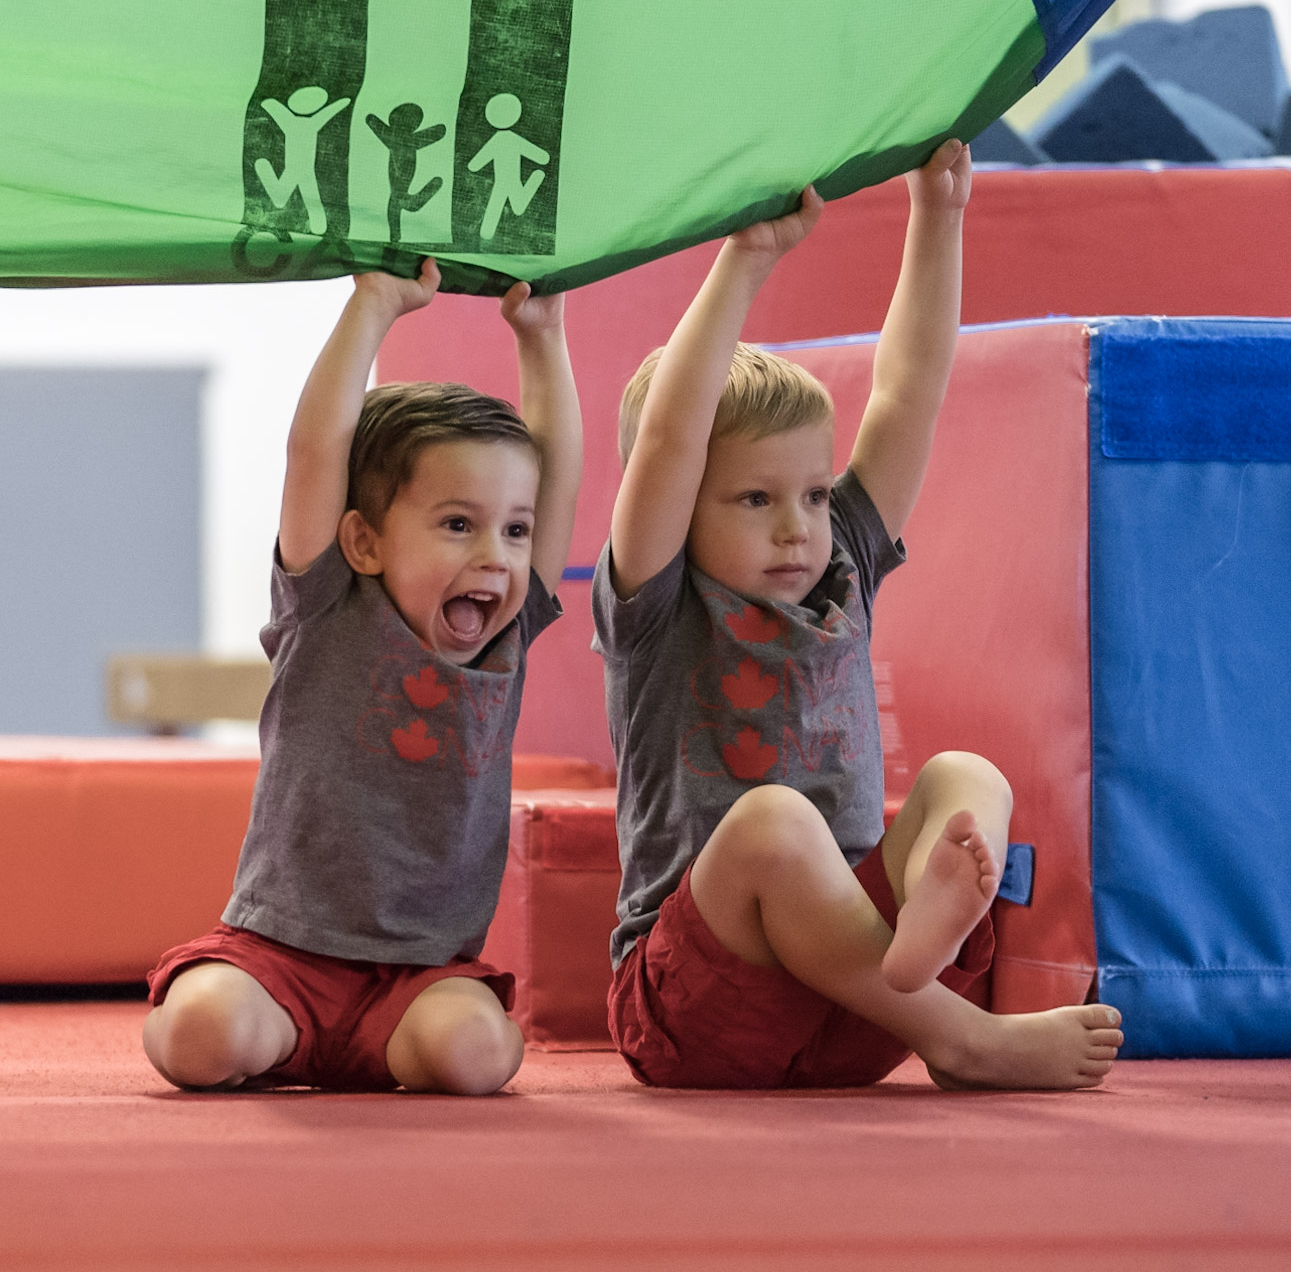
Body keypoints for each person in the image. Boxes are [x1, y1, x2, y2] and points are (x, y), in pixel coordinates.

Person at [593, 139, 1123, 1090]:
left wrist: (938, 215)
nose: (797, 526)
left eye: (810, 493)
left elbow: (907, 390)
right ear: (676, 504)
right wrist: (746, 258)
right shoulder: (658, 601)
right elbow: (670, 437)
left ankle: (928, 923)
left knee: (967, 773)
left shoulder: (841, 564)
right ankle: (960, 1034)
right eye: (754, 499)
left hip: (857, 998)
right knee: (772, 822)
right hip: (698, 1008)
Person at [143, 258, 581, 1093]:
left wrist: (544, 336)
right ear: (364, 541)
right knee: (203, 1035)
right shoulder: (328, 607)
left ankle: (365, 1051)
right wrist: (372, 306)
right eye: (457, 524)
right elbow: (314, 451)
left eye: (514, 531)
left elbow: (555, 474)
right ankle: (263, 1034)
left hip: (417, 977)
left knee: (473, 1055)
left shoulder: (508, 633)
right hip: (280, 959)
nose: (495, 555)